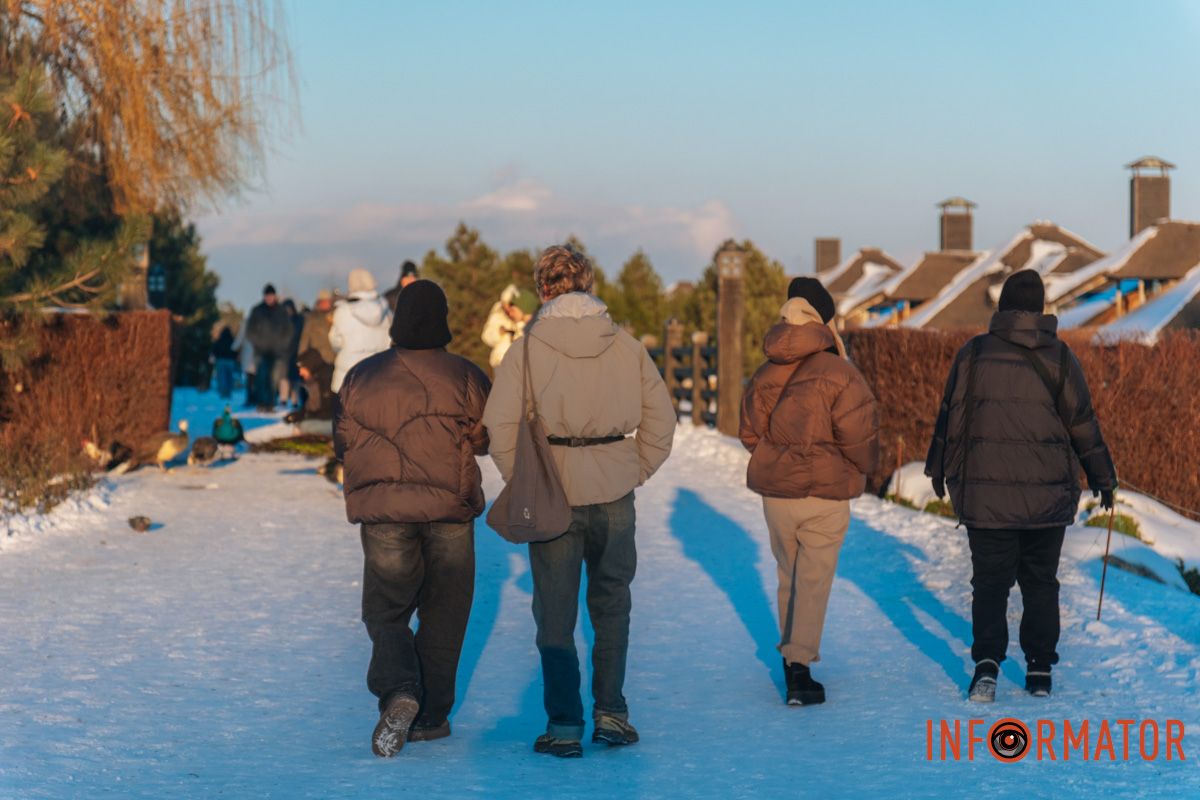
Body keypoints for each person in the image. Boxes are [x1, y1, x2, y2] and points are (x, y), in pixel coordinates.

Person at [482, 244, 675, 759]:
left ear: (542, 289)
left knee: (554, 612)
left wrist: (524, 478)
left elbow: (499, 425)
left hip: (553, 491)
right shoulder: (627, 346)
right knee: (612, 604)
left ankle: (564, 725)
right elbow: (662, 421)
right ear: (588, 284)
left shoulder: (526, 349)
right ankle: (612, 713)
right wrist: (634, 469)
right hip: (614, 488)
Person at [925, 269, 1117, 703]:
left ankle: (987, 667)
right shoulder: (1061, 358)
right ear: (1041, 309)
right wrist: (1103, 478)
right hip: (1047, 498)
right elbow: (1083, 426)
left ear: (1002, 307)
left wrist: (937, 470)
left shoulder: (973, 354)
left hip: (986, 497)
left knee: (989, 584)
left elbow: (949, 418)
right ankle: (1039, 669)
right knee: (1041, 582)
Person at [334, 280, 491, 758]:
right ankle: (430, 715)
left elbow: (342, 441)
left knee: (386, 609)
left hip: (384, 513)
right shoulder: (467, 375)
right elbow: (487, 437)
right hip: (449, 510)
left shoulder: (361, 377)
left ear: (398, 321)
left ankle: (400, 688)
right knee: (446, 611)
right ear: (442, 320)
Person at [739, 277, 879, 707]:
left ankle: (789, 657)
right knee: (813, 580)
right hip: (825, 493)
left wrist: (775, 456)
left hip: (777, 495)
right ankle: (800, 670)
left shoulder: (765, 371)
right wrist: (855, 470)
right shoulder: (842, 373)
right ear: (824, 322)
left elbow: (749, 434)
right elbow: (860, 437)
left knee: (789, 575)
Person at [330, 269, 392, 393]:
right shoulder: (386, 311)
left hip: (349, 375)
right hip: (379, 374)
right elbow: (391, 340)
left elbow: (335, 341)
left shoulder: (343, 311)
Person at [245, 284, 294, 411]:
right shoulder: (257, 310)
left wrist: (282, 344)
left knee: (273, 379)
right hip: (261, 351)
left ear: (275, 296)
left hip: (277, 352)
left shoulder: (281, 311)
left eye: (271, 295)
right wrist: (258, 343)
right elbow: (250, 331)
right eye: (267, 296)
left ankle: (271, 403)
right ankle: (262, 403)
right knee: (261, 378)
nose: (269, 298)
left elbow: (289, 330)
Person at [481, 284, 537, 370]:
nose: (509, 311)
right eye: (505, 306)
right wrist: (499, 333)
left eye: (511, 306)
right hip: (500, 364)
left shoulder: (532, 325)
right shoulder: (498, 314)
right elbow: (486, 336)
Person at [285, 348, 336, 437]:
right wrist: (297, 415)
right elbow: (311, 407)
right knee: (300, 425)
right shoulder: (314, 382)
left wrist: (306, 417)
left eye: (302, 368)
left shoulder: (327, 380)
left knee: (303, 427)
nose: (300, 373)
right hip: (328, 421)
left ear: (310, 366)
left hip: (336, 424)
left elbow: (330, 411)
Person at [299, 289, 336, 366]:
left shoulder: (336, 315)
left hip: (334, 359)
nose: (326, 303)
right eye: (323, 301)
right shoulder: (312, 318)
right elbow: (305, 338)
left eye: (327, 301)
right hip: (317, 360)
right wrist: (301, 359)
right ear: (319, 302)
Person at [210, 325, 238, 400]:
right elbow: (235, 351)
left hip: (221, 360)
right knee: (229, 377)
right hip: (230, 361)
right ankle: (228, 393)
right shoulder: (232, 340)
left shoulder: (219, 340)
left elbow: (214, 349)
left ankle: (223, 393)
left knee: (221, 378)